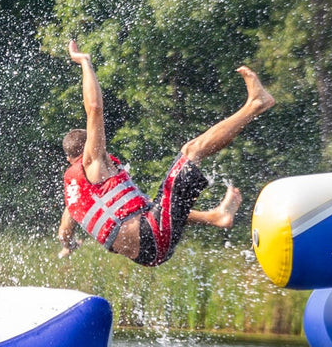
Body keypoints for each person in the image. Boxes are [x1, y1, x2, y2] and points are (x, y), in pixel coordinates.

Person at [57, 39, 274, 266]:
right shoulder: (92, 162)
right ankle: (257, 104)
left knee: (155, 205)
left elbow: (64, 233)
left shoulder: (74, 194)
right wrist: (84, 62)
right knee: (191, 151)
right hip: (150, 234)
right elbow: (94, 109)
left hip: (146, 255)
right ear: (89, 146)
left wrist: (69, 246)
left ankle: (216, 216)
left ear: (68, 158)